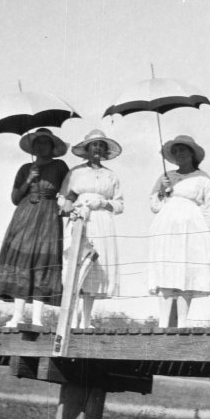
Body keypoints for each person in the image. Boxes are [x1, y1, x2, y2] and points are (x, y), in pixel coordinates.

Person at [0, 127, 69, 326]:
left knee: (43, 262)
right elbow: (15, 198)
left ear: (52, 147)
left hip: (48, 217)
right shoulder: (25, 168)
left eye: (45, 142)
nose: (41, 146)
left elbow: (68, 191)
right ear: (33, 147)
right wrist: (28, 180)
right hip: (24, 216)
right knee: (22, 262)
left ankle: (37, 318)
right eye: (38, 143)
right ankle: (17, 316)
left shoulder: (60, 166)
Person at [148, 134, 210, 328]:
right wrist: (162, 191)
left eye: (183, 150)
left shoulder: (202, 179)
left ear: (192, 153)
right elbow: (154, 205)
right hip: (166, 225)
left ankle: (182, 324)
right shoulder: (166, 177)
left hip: (191, 227)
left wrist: (204, 236)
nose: (179, 154)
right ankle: (163, 323)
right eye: (175, 151)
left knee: (186, 270)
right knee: (166, 269)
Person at [58, 129, 124, 329]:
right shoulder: (75, 172)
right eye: (94, 145)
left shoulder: (110, 176)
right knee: (77, 265)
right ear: (87, 149)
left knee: (96, 266)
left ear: (105, 151)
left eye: (101, 146)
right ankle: (72, 319)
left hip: (102, 221)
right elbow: (63, 198)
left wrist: (103, 203)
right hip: (81, 220)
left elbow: (120, 204)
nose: (97, 149)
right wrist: (73, 206)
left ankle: (86, 320)